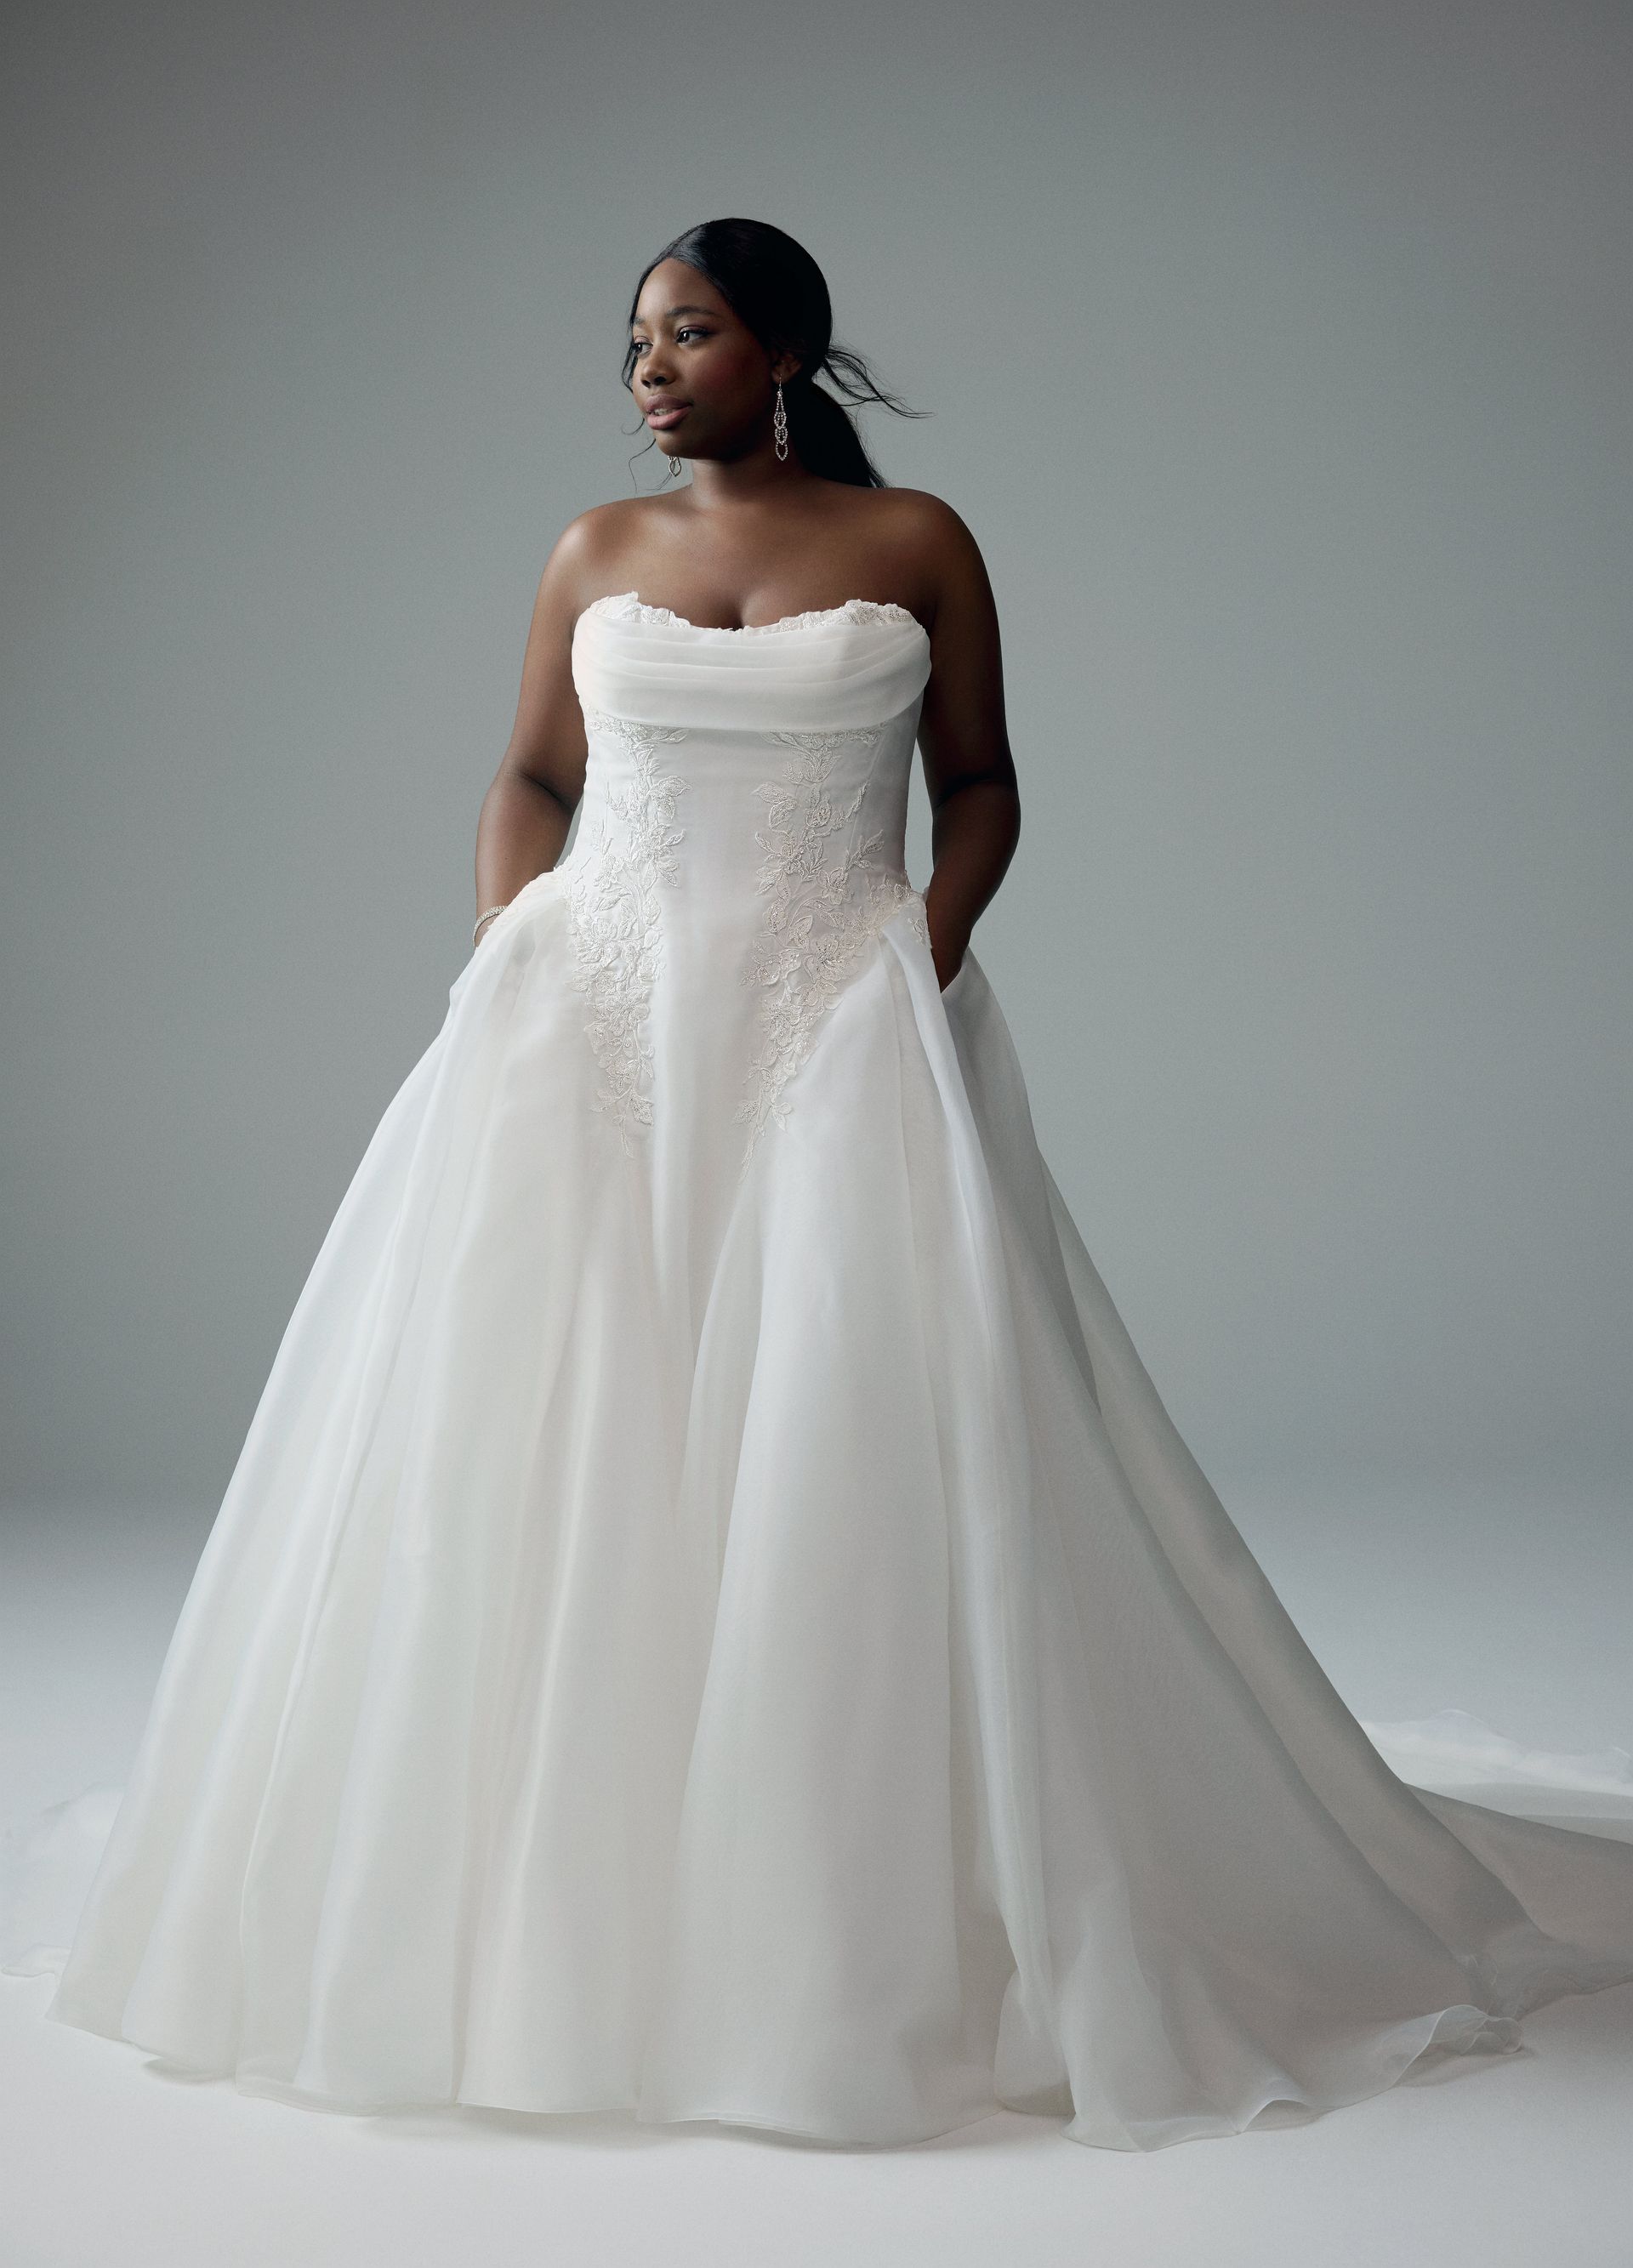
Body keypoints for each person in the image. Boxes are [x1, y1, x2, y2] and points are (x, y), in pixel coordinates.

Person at [27, 217, 1633, 2153]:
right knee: (541, 1447)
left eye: (687, 331)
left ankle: (828, 1928)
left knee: (845, 1451)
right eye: (633, 337)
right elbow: (527, 776)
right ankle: (551, 1925)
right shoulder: (588, 554)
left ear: (781, 348)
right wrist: (510, 943)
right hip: (587, 1033)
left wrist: (914, 956)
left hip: (833, 1031)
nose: (646, 366)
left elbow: (986, 780)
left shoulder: (916, 543)